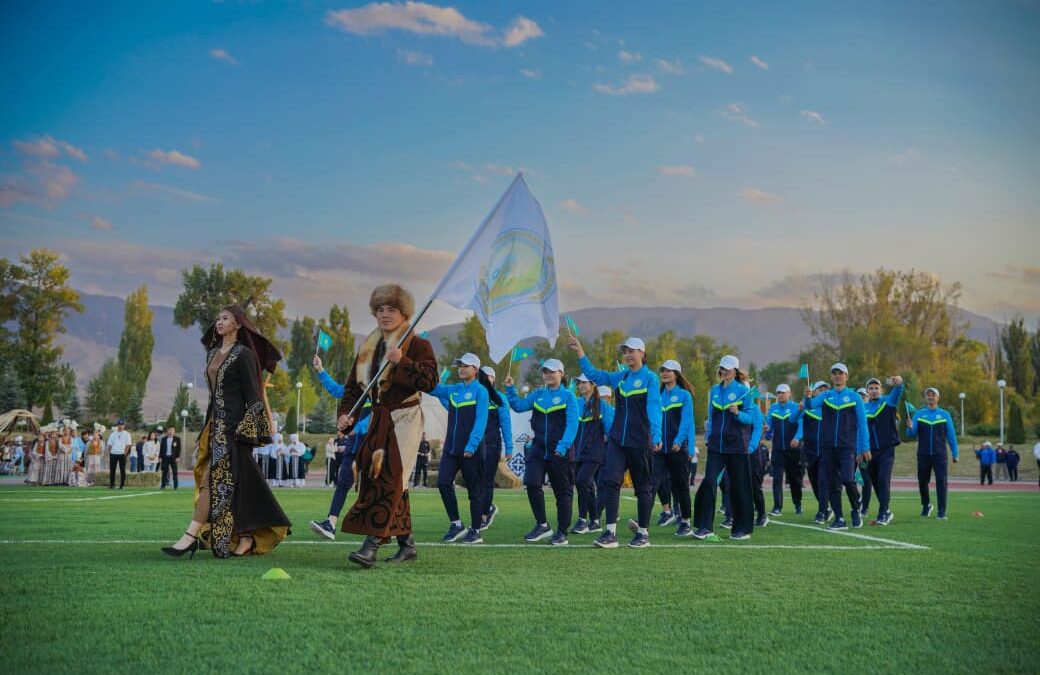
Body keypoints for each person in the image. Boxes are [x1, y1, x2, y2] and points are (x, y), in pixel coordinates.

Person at [161, 304, 291, 559]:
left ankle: (189, 537)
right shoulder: (212, 354)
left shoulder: (244, 354)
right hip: (215, 428)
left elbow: (253, 396)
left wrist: (251, 431)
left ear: (238, 324)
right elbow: (213, 398)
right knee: (238, 485)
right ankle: (245, 536)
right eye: (218, 318)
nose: (219, 322)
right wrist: (205, 431)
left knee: (211, 482)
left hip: (235, 431)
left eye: (226, 318)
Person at [336, 284, 438, 568]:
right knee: (385, 479)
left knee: (390, 478)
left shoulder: (418, 345)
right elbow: (353, 389)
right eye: (380, 309)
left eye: (391, 309)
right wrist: (346, 415)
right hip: (379, 419)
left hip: (406, 418)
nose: (385, 314)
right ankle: (407, 545)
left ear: (404, 313)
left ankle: (370, 546)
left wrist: (403, 361)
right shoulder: (368, 348)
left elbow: (430, 381)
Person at [569, 336, 662, 549]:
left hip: (640, 442)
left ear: (642, 353)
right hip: (618, 440)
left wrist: (656, 434)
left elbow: (654, 407)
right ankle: (610, 532)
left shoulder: (650, 378)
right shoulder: (621, 376)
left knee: (643, 487)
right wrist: (581, 353)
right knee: (610, 482)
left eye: (631, 351)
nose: (628, 355)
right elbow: (595, 375)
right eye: (625, 351)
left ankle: (643, 533)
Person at [504, 358, 579, 546]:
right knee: (531, 483)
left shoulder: (568, 397)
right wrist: (510, 389)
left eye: (552, 371)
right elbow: (519, 406)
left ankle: (562, 532)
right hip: (538, 449)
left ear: (561, 374)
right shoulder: (538, 394)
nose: (547, 374)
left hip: (560, 452)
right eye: (545, 371)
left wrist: (563, 446)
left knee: (563, 493)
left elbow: (572, 425)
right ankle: (542, 525)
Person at [691, 355, 762, 541]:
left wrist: (738, 413)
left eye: (728, 369)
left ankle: (742, 529)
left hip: (737, 446)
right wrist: (709, 438)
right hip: (716, 446)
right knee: (709, 482)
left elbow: (751, 418)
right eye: (722, 368)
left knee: (739, 486)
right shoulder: (714, 390)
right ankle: (705, 527)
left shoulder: (743, 391)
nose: (724, 371)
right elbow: (711, 417)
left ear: (735, 371)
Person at [431, 353, 490, 545]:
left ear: (475, 370)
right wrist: (428, 377)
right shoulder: (454, 389)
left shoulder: (481, 391)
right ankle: (456, 524)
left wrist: (472, 445)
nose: (462, 369)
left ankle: (475, 530)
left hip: (471, 450)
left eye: (466, 366)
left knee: (475, 491)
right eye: (460, 366)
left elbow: (481, 422)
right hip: (451, 449)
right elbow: (433, 390)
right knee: (443, 482)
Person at [804, 363, 870, 530]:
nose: (837, 376)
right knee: (832, 483)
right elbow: (810, 405)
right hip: (828, 447)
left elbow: (862, 424)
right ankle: (839, 519)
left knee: (847, 479)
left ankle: (856, 508)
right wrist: (808, 397)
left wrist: (864, 447)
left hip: (847, 447)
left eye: (840, 373)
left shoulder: (854, 397)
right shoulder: (826, 396)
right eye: (834, 373)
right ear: (831, 377)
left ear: (846, 376)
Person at [654, 360, 695, 536]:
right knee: (652, 483)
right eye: (662, 370)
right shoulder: (657, 395)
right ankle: (643, 525)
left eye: (668, 371)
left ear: (676, 374)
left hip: (677, 449)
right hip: (658, 450)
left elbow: (687, 421)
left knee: (681, 487)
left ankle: (685, 521)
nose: (664, 373)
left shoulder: (684, 396)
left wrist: (679, 441)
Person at [570, 375, 614, 535]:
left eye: (584, 382)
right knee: (586, 485)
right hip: (578, 452)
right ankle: (595, 520)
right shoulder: (576, 403)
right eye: (579, 383)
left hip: (595, 453)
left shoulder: (602, 406)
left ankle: (582, 519)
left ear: (593, 385)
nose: (581, 385)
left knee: (581, 481)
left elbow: (609, 429)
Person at [906, 386, 958, 520]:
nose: (930, 397)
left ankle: (942, 512)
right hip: (923, 454)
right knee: (922, 481)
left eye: (933, 395)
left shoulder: (945, 415)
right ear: (925, 398)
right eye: (928, 395)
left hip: (940, 455)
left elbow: (951, 435)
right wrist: (909, 427)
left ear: (937, 398)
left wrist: (955, 453)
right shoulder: (919, 414)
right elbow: (911, 434)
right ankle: (926, 505)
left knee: (942, 482)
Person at [864, 376, 903, 525]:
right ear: (867, 391)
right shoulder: (863, 408)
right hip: (870, 451)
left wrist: (899, 383)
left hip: (887, 450)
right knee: (875, 482)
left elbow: (897, 391)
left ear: (881, 390)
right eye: (871, 388)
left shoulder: (888, 402)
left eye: (876, 388)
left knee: (883, 479)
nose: (874, 391)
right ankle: (886, 510)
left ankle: (883, 512)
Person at [478, 366, 513, 532]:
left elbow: (506, 424)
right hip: (475, 444)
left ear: (493, 379)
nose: (484, 379)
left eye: (488, 376)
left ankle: (484, 515)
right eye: (482, 376)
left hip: (492, 444)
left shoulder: (500, 398)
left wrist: (509, 448)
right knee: (474, 480)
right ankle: (487, 507)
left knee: (487, 480)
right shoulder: (475, 395)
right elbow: (452, 407)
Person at [764, 383, 803, 517]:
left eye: (783, 392)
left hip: (793, 449)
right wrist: (767, 430)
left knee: (794, 479)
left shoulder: (796, 407)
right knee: (777, 478)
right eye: (779, 393)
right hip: (777, 449)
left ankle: (798, 504)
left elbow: (801, 425)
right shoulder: (773, 408)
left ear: (789, 393)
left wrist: (797, 438)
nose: (781, 395)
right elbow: (769, 426)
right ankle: (777, 507)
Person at [105, 421, 132, 489]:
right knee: (112, 470)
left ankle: (122, 485)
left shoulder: (127, 434)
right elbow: (109, 444)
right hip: (113, 453)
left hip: (122, 454)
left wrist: (125, 453)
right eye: (119, 425)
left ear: (124, 426)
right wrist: (110, 452)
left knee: (122, 470)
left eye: (122, 425)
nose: (120, 426)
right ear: (117, 425)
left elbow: (128, 445)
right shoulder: (113, 434)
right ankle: (112, 484)